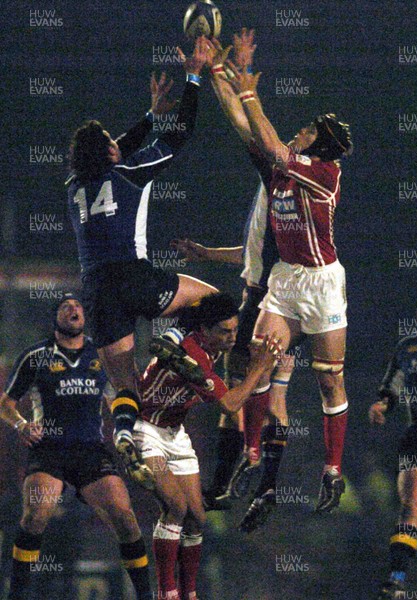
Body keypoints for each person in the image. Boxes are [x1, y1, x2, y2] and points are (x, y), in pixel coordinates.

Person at [206, 34, 353, 521]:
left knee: (330, 381)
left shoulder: (323, 174)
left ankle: (332, 469)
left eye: (309, 130)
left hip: (324, 284)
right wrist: (218, 75)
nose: (301, 131)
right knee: (258, 358)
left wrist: (250, 90)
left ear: (321, 145)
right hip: (287, 280)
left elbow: (268, 137)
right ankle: (250, 458)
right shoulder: (280, 173)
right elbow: (245, 126)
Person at [66, 37, 218, 478]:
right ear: (111, 153)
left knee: (124, 383)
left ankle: (126, 436)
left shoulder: (73, 187)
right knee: (207, 300)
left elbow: (114, 150)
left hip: (95, 292)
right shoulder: (130, 173)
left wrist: (150, 116)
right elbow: (180, 135)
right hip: (135, 278)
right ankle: (171, 342)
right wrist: (194, 77)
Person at [172, 31, 297, 525]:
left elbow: (243, 123)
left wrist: (222, 72)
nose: (291, 140)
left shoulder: (281, 175)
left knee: (241, 387)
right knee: (265, 387)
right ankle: (257, 481)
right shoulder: (286, 186)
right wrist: (207, 252)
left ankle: (240, 472)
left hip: (267, 299)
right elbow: (254, 252)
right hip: (282, 294)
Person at [0, 294, 152, 600]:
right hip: (49, 450)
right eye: (66, 307)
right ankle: (16, 595)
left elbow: (119, 401)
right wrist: (22, 425)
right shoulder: (36, 356)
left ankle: (147, 595)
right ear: (55, 318)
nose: (74, 310)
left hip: (91, 451)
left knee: (125, 518)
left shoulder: (102, 355)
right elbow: (6, 404)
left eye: (79, 306)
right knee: (35, 517)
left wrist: (134, 434)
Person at [130, 293, 281, 600]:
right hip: (145, 429)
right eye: (225, 331)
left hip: (175, 432)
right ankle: (167, 592)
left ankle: (190, 593)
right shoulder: (192, 355)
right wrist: (259, 368)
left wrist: (255, 356)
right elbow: (229, 404)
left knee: (197, 517)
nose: (232, 337)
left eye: (235, 330)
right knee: (176, 507)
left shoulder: (209, 346)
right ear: (205, 331)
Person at [370, 290, 417, 599]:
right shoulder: (408, 348)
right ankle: (396, 580)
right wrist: (383, 404)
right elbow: (392, 384)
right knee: (413, 507)